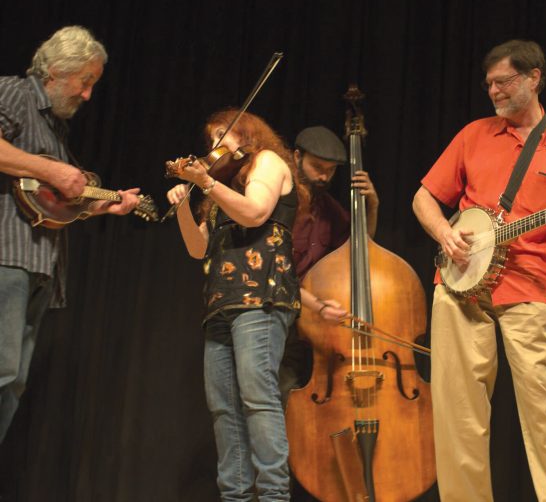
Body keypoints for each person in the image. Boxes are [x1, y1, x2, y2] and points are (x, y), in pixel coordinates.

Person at [412, 39, 546, 502]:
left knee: (544, 412)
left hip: (532, 288)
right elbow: (423, 197)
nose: (493, 91)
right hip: (458, 285)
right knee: (458, 414)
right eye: (489, 83)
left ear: (534, 78)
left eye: (503, 82)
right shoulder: (474, 134)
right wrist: (443, 234)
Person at [0, 26, 140, 444]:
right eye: (86, 82)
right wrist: (50, 170)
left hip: (40, 266)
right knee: (2, 370)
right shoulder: (14, 94)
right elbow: (41, 173)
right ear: (57, 71)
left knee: (13, 381)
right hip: (6, 258)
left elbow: (49, 201)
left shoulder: (56, 130)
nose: (87, 95)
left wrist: (98, 205)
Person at [166, 109, 306, 501]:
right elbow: (198, 248)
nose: (214, 148)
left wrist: (207, 182)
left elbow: (256, 211)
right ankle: (235, 496)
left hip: (261, 297)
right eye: (210, 141)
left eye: (221, 137)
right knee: (224, 407)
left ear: (246, 135)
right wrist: (182, 203)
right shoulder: (220, 187)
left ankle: (274, 495)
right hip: (220, 303)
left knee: (259, 399)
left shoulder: (268, 162)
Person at [279, 125, 379, 399]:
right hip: (276, 314)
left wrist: (372, 205)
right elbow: (276, 275)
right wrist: (318, 305)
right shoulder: (279, 201)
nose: (324, 176)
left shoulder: (328, 208)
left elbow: (360, 250)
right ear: (297, 156)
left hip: (310, 323)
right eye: (317, 167)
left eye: (332, 170)